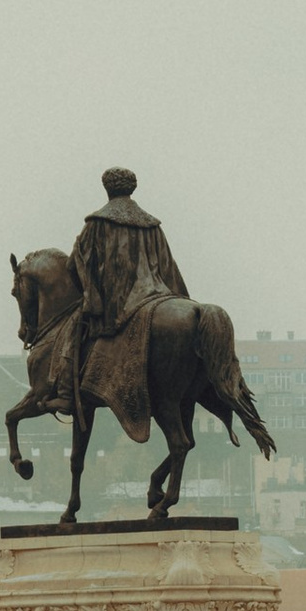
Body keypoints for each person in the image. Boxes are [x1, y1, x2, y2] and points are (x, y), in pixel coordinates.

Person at [65, 169, 189, 446]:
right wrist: (179, 299)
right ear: (132, 188)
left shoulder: (97, 223)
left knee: (74, 336)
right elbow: (170, 269)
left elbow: (75, 265)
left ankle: (66, 388)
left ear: (106, 189)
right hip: (158, 295)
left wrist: (90, 297)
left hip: (117, 305)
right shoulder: (152, 226)